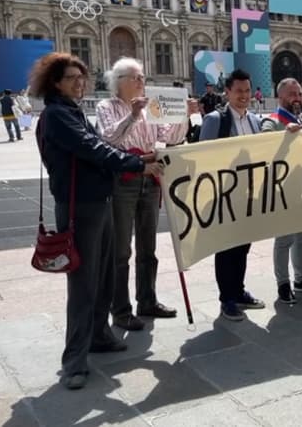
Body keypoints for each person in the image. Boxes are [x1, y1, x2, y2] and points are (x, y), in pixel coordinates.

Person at [29, 52, 163, 390]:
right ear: (55, 82)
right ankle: (74, 360)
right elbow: (94, 149)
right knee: (83, 284)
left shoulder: (72, 111)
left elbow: (100, 145)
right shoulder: (57, 115)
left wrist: (143, 155)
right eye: (71, 78)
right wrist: (137, 165)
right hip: (79, 207)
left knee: (103, 275)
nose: (79, 83)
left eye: (81, 77)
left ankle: (100, 335)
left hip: (99, 202)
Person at [95, 58, 197, 330]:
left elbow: (170, 137)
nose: (142, 82)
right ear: (119, 82)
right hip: (123, 180)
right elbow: (110, 139)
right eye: (136, 77)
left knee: (147, 247)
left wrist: (183, 115)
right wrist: (132, 115)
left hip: (150, 177)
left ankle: (147, 300)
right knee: (120, 250)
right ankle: (120, 310)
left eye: (142, 77)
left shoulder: (151, 106)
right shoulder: (106, 107)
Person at [198, 69, 266, 321]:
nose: (244, 95)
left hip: (249, 194)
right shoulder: (216, 120)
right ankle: (226, 297)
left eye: (247, 90)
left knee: (243, 244)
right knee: (226, 246)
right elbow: (203, 156)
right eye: (238, 91)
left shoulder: (255, 121)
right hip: (225, 194)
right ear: (227, 92)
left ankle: (238, 290)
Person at [260, 78, 302, 304]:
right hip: (283, 190)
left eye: (299, 93)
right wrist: (283, 135)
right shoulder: (273, 120)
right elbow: (263, 141)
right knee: (284, 239)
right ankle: (283, 283)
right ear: (279, 97)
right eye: (291, 94)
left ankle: (301, 278)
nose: (297, 98)